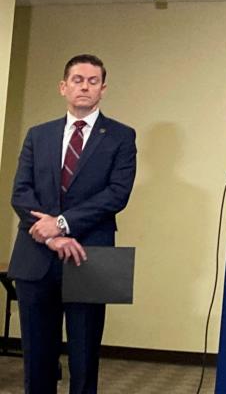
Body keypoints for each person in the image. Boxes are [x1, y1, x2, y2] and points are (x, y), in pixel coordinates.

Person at [9, 54, 137, 394]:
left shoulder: (122, 137)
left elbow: (117, 194)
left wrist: (62, 224)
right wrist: (52, 237)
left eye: (93, 81)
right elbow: (21, 192)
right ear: (63, 87)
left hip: (91, 257)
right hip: (36, 257)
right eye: (78, 79)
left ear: (103, 89)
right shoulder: (39, 135)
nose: (85, 86)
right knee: (37, 357)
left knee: (84, 357)